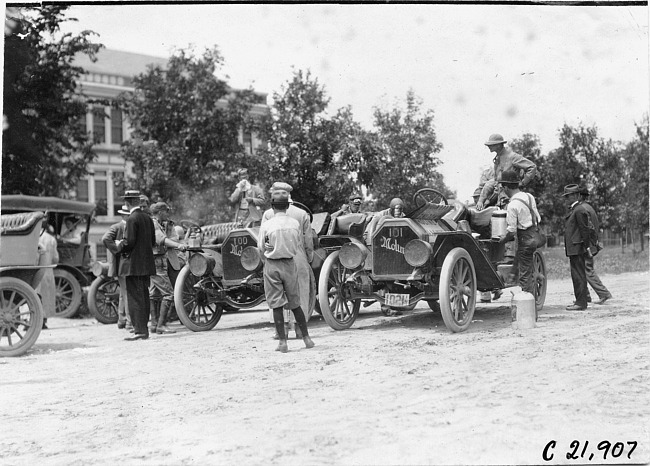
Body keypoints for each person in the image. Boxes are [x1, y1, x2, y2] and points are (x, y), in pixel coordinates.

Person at [258, 189, 315, 353]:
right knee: (295, 302)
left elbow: (261, 247)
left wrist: (268, 253)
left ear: (273, 206)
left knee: (276, 304)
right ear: (287, 206)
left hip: (272, 264)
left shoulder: (267, 224)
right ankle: (306, 338)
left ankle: (283, 342)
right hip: (290, 263)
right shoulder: (295, 223)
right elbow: (299, 242)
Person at [116, 190, 156, 340]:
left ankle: (139, 331)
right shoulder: (148, 218)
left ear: (127, 202)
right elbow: (152, 242)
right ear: (138, 201)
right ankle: (143, 329)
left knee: (134, 298)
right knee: (144, 297)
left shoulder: (132, 219)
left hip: (133, 265)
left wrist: (119, 245)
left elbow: (129, 242)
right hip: (146, 264)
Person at [497, 169, 542, 295]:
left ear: (506, 187)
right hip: (534, 234)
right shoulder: (529, 196)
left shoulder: (512, 205)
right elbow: (537, 217)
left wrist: (502, 241)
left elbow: (511, 232)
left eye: (502, 187)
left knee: (525, 276)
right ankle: (512, 276)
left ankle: (529, 305)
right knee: (524, 266)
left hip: (524, 239)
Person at [148, 201, 187, 334]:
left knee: (154, 294)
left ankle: (154, 325)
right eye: (166, 211)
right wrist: (178, 246)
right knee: (169, 294)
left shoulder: (159, 224)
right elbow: (162, 240)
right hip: (157, 261)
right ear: (160, 212)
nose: (168, 213)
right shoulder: (154, 224)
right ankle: (161, 325)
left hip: (156, 261)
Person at [476, 134, 537, 210]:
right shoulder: (498, 159)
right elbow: (495, 181)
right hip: (501, 201)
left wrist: (522, 183)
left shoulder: (512, 157)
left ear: (498, 145)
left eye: (491, 145)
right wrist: (481, 200)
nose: (489, 147)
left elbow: (532, 167)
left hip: (513, 200)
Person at [563, 184, 596, 311]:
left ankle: (581, 303)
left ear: (576, 195)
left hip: (577, 247)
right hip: (574, 248)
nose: (566, 198)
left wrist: (587, 247)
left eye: (569, 196)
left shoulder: (579, 210)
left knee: (578, 275)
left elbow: (584, 229)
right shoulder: (574, 209)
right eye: (566, 196)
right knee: (576, 274)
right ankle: (580, 300)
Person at [579, 186, 612, 305]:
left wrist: (587, 245)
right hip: (591, 244)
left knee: (587, 271)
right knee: (582, 271)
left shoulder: (582, 209)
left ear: (580, 196)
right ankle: (585, 296)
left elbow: (588, 229)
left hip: (587, 245)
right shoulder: (589, 208)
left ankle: (603, 293)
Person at [102, 205, 132, 330]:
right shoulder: (117, 227)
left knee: (123, 293)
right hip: (123, 265)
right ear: (124, 216)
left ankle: (121, 319)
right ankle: (130, 322)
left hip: (125, 265)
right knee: (128, 293)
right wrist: (117, 249)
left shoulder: (127, 226)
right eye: (128, 215)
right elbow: (105, 238)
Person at [36, 218, 59, 329]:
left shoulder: (34, 237)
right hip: (48, 270)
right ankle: (44, 320)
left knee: (35, 294)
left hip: (36, 271)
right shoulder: (51, 239)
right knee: (46, 295)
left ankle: (32, 319)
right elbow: (56, 258)